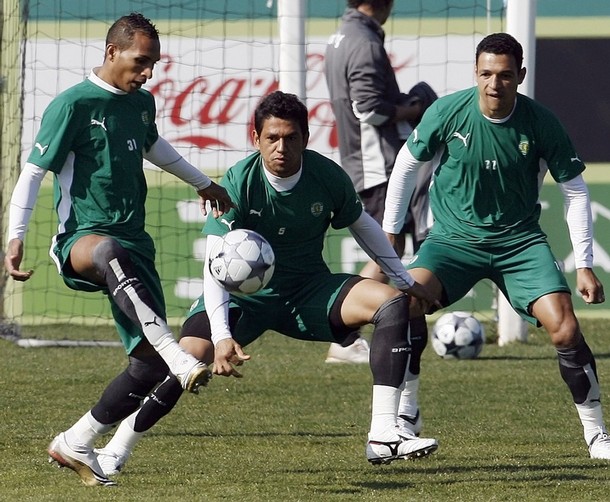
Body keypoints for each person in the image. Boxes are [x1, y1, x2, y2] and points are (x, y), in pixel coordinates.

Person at [92, 90, 442, 478]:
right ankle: (115, 449)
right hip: (243, 300)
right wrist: (222, 335)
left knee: (393, 303)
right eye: (272, 138)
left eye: (291, 138)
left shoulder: (326, 176)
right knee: (187, 358)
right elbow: (214, 266)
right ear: (255, 138)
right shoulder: (239, 181)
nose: (281, 147)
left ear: (306, 139)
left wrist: (404, 279)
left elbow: (363, 226)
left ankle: (382, 433)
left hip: (309, 291)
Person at [3, 13, 234, 486]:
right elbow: (33, 172)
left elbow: (154, 147)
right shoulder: (72, 103)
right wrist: (15, 234)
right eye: (140, 61)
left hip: (137, 246)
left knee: (144, 369)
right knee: (109, 252)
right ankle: (174, 351)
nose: (148, 73)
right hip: (80, 242)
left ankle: (76, 439)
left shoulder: (141, 103)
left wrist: (204, 182)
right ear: (112, 53)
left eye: (154, 63)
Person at [382, 32, 610, 459]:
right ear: (475, 72)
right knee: (403, 302)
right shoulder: (447, 112)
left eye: (505, 75)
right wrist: (390, 234)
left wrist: (584, 263)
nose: (494, 84)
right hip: (451, 241)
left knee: (565, 327)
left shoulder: (541, 122)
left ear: (520, 76)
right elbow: (407, 165)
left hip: (519, 244)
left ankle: (598, 435)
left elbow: (575, 191)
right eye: (486, 73)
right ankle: (406, 415)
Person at [324, 0, 436, 367]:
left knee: (390, 245)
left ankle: (347, 332)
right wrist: (414, 110)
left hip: (362, 160)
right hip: (376, 164)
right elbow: (369, 107)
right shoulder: (364, 41)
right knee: (387, 246)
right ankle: (343, 333)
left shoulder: (343, 34)